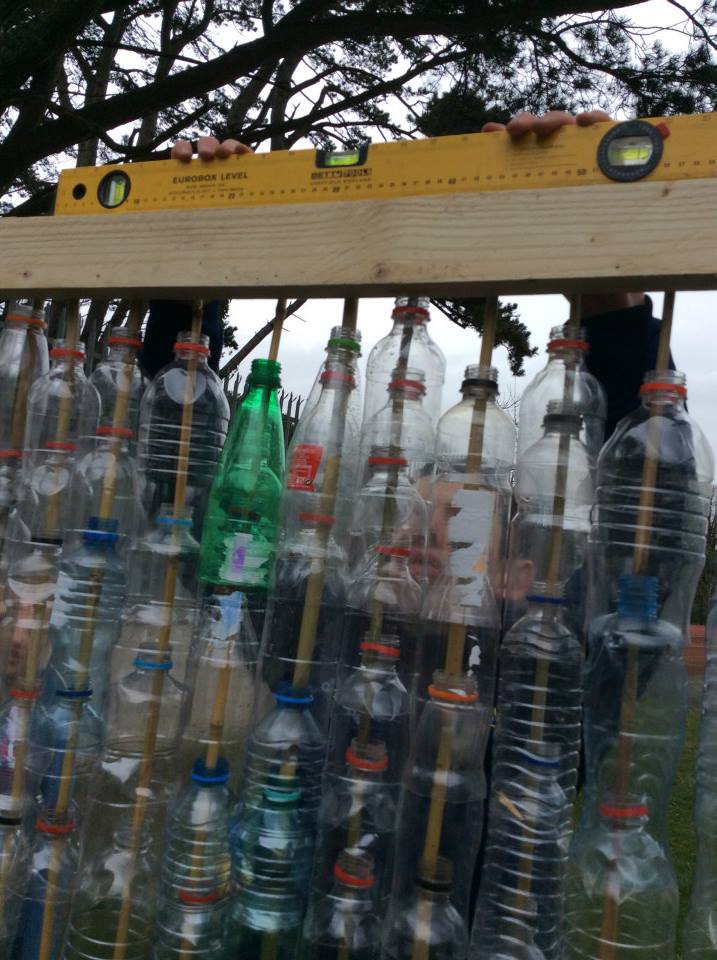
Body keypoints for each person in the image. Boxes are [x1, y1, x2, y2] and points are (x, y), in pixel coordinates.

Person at [143, 110, 674, 434]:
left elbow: (640, 489)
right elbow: (166, 474)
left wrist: (605, 294)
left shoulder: (556, 599)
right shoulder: (237, 556)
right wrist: (188, 284)